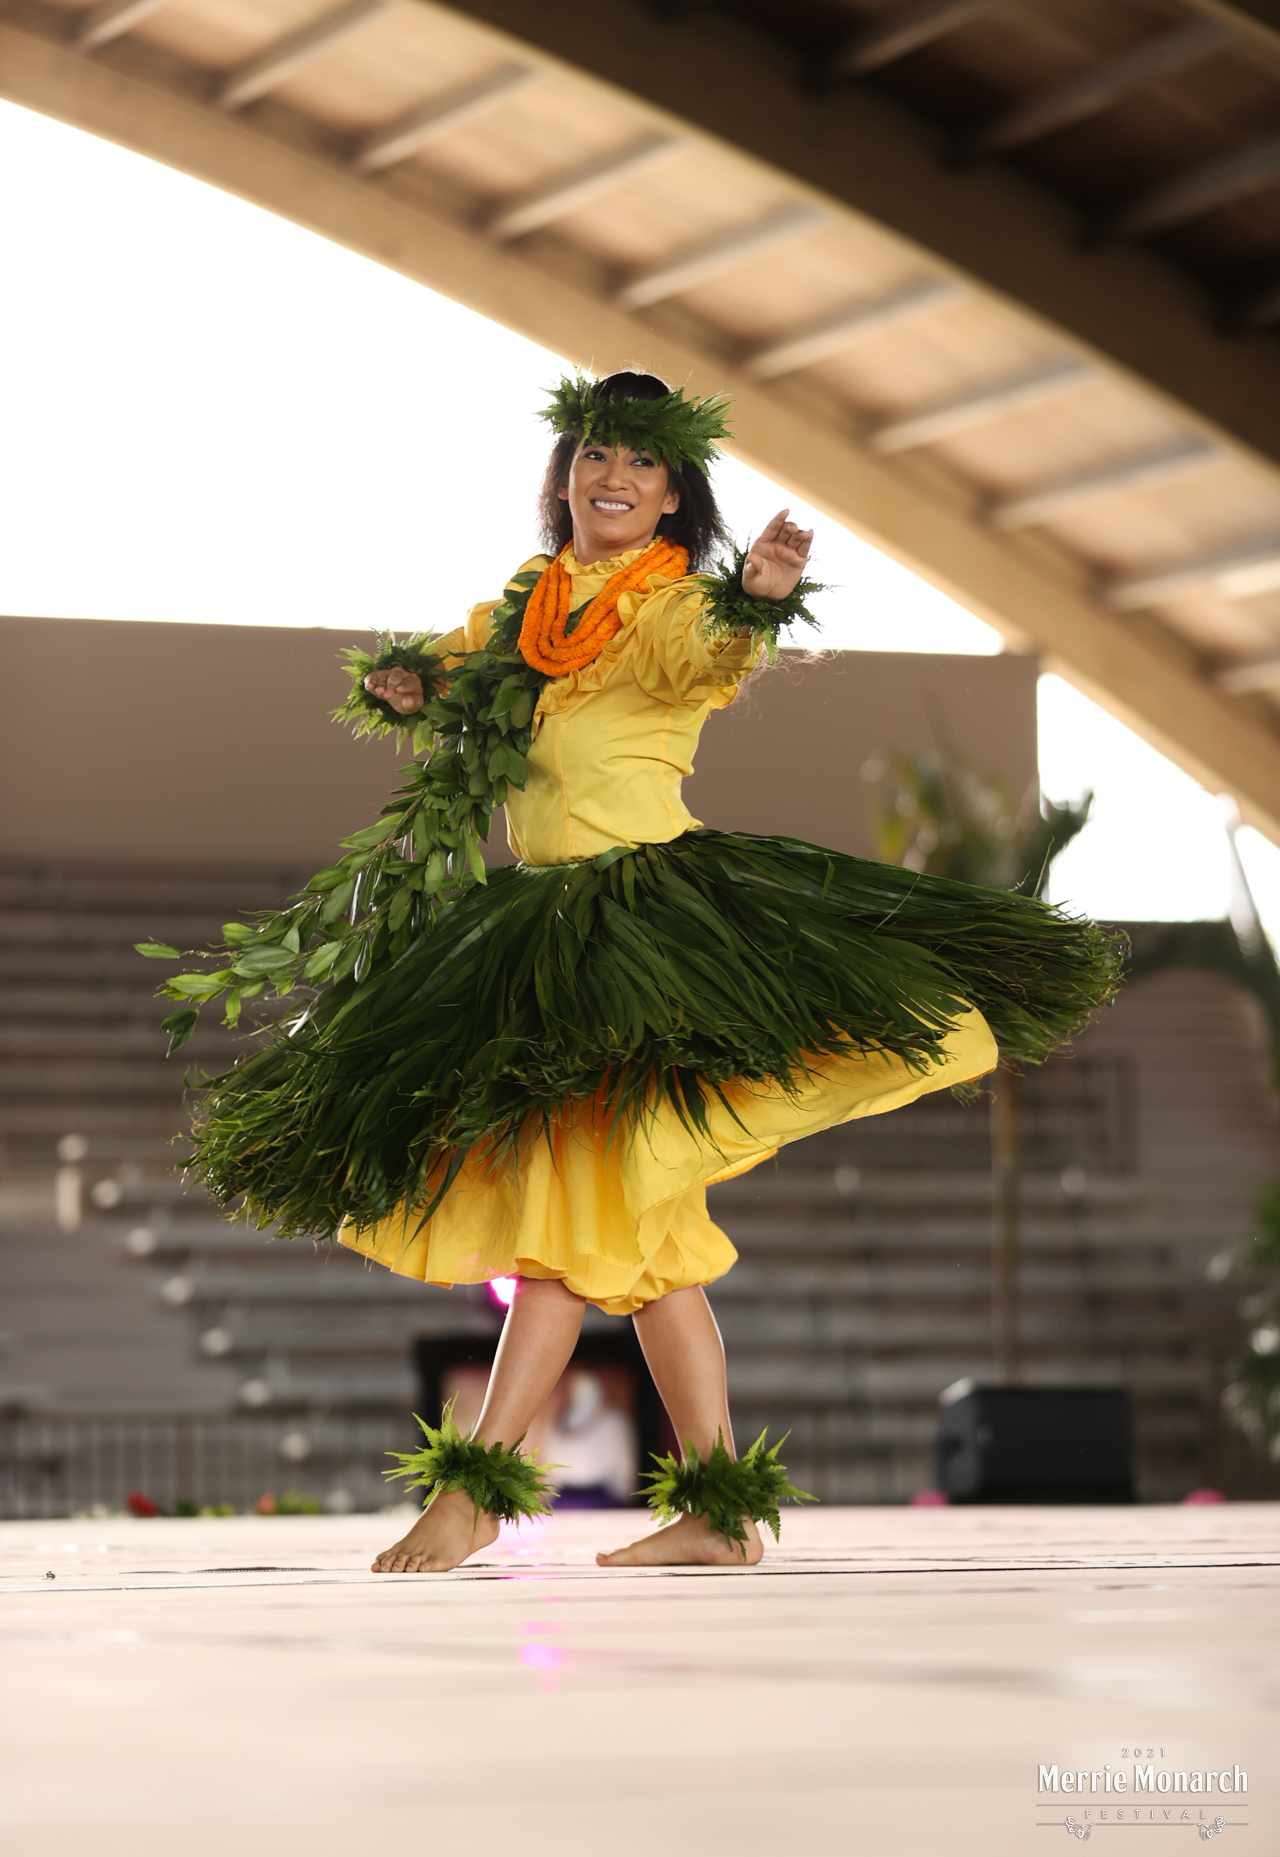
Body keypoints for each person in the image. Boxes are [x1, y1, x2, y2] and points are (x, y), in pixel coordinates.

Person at [143, 370, 1121, 1574]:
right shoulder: (523, 603)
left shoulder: (667, 601)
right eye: (596, 455)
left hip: (643, 935)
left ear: (672, 498)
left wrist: (755, 597)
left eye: (641, 467)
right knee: (645, 1240)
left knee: (566, 1226)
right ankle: (717, 1510)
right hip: (536, 933)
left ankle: (473, 1499)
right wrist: (402, 684)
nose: (612, 478)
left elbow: (705, 652)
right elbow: (455, 674)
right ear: (563, 475)